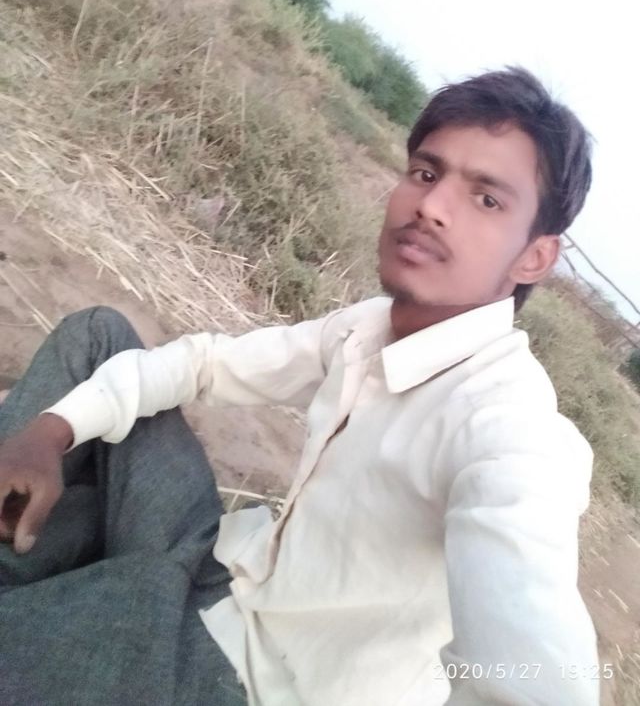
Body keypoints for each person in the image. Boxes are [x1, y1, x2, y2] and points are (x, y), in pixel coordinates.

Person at [0, 67, 600, 706]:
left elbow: (541, 684)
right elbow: (209, 364)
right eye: (427, 174)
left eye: (486, 200)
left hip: (241, 678)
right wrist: (48, 433)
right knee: (100, 338)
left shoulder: (508, 427)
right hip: (222, 567)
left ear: (534, 256)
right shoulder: (368, 327)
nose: (431, 207)